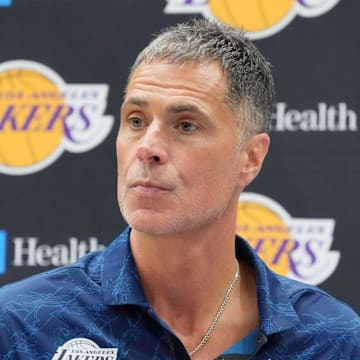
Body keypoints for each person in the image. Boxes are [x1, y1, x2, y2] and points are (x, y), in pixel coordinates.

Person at [0, 19, 359, 360]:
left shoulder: (331, 339)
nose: (148, 147)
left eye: (185, 125)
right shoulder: (22, 325)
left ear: (250, 157)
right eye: (136, 121)